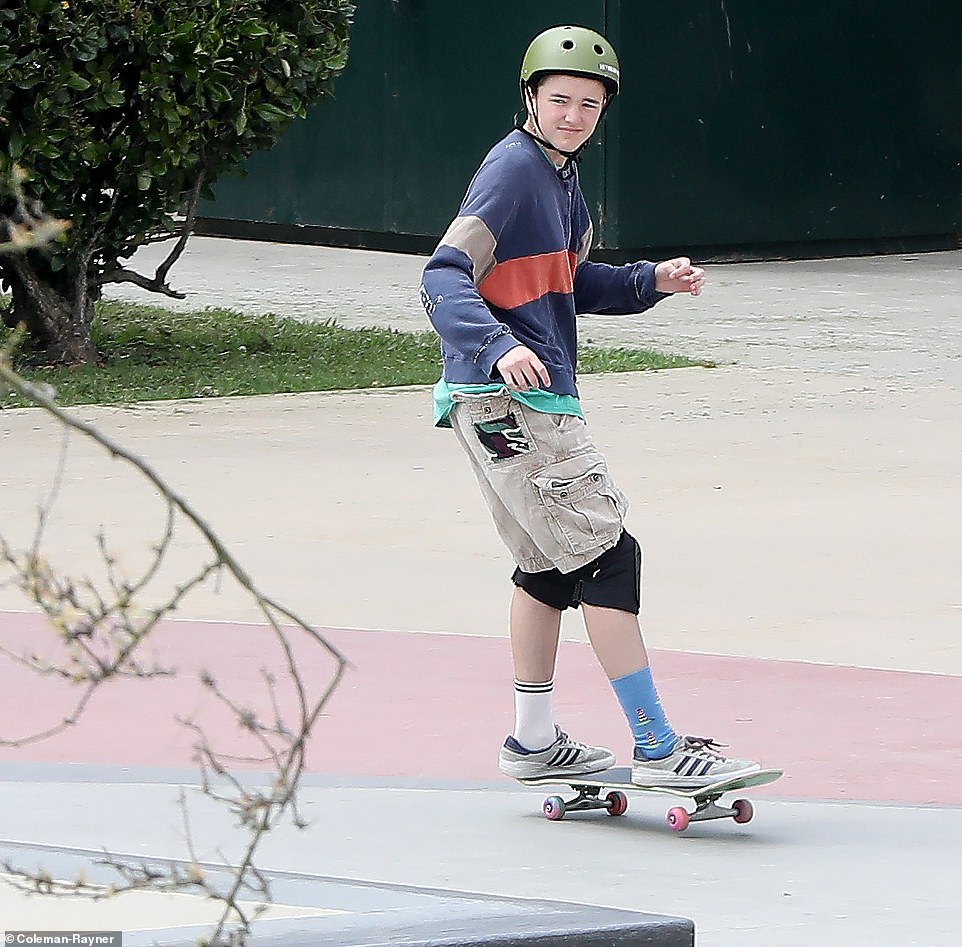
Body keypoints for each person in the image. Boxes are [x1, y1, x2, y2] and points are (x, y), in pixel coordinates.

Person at [419, 25, 761, 790]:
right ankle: (658, 745)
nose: (574, 114)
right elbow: (443, 278)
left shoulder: (561, 181)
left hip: (503, 401)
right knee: (610, 554)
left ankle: (534, 740)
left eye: (589, 104)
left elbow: (573, 286)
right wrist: (494, 344)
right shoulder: (513, 174)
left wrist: (651, 281)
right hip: (516, 398)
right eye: (560, 99)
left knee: (545, 566)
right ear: (530, 98)